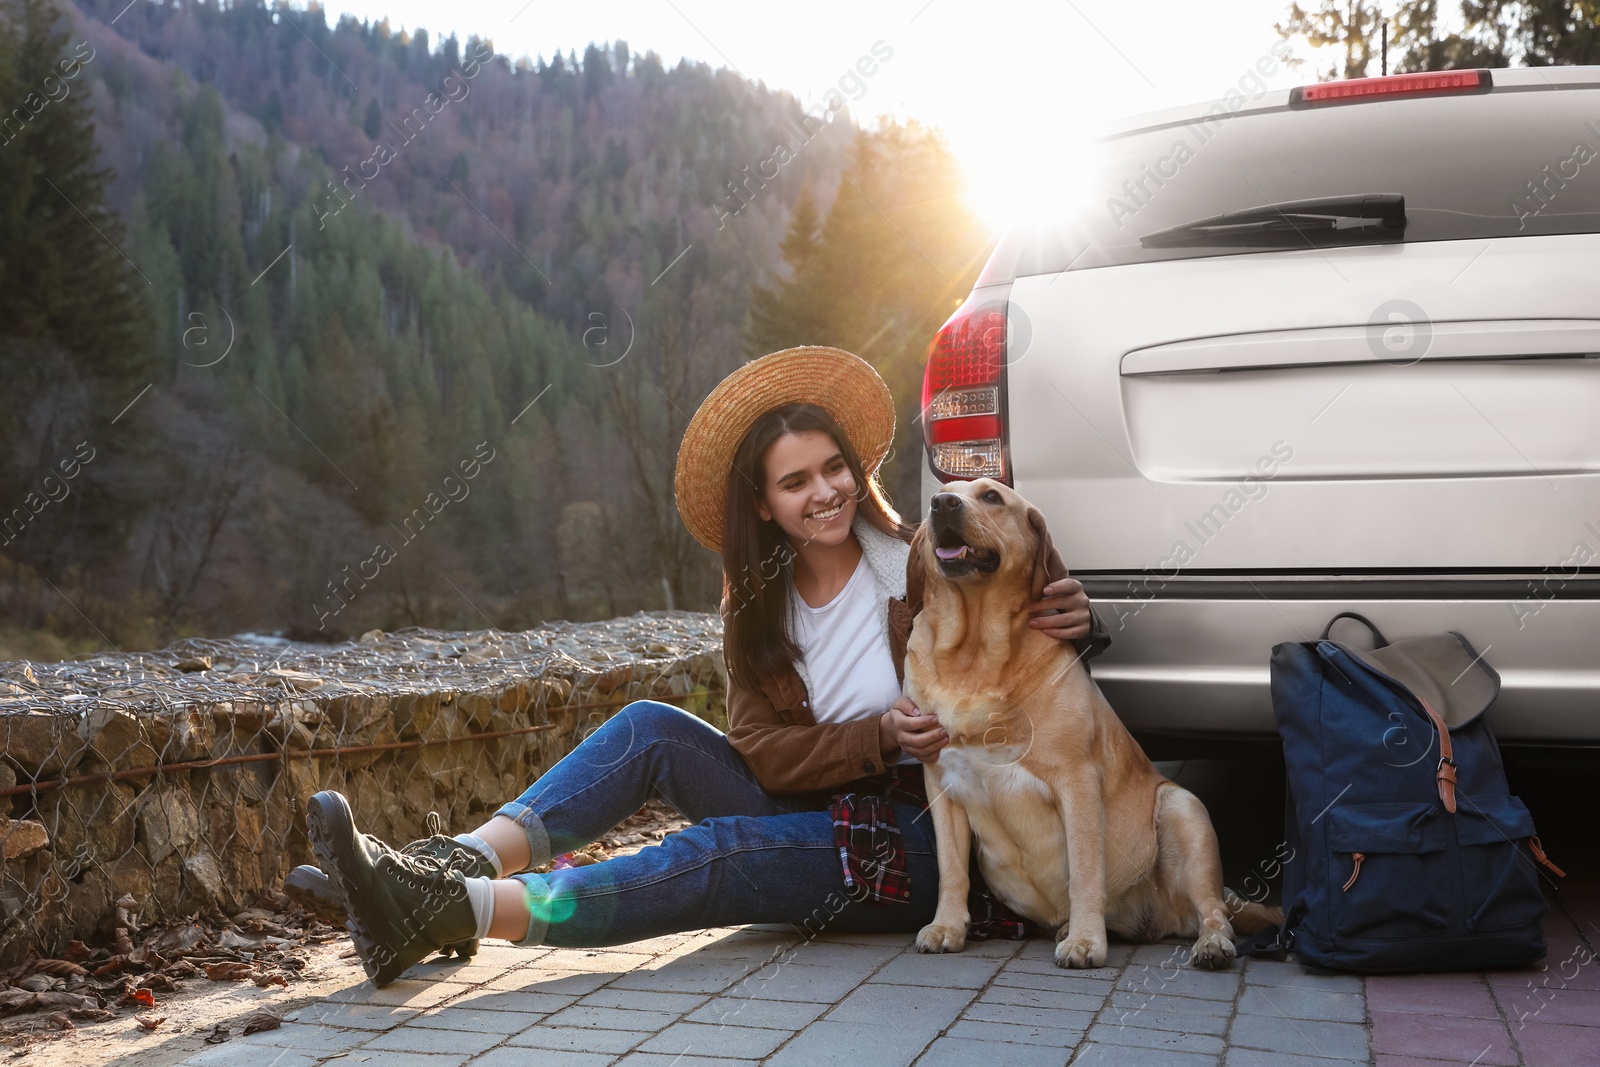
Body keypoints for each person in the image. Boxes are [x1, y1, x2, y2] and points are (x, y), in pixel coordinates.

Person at [294, 346, 1108, 987]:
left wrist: (1077, 615)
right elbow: (757, 747)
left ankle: (455, 910)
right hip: (809, 799)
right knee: (651, 726)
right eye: (795, 482)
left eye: (834, 468)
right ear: (763, 504)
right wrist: (872, 734)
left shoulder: (918, 564)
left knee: (720, 850)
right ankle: (443, 868)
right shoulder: (758, 606)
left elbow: (1023, 579)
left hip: (925, 833)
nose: (824, 492)